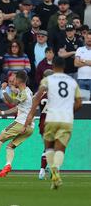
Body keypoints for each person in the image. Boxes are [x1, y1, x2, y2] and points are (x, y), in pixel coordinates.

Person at [24, 57, 82, 189]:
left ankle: (51, 170)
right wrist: (69, 110)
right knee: (60, 148)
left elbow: (37, 97)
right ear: (64, 67)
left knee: (48, 147)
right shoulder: (72, 82)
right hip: (66, 119)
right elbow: (79, 103)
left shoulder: (47, 80)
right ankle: (56, 169)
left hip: (50, 119)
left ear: (54, 66)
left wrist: (31, 115)